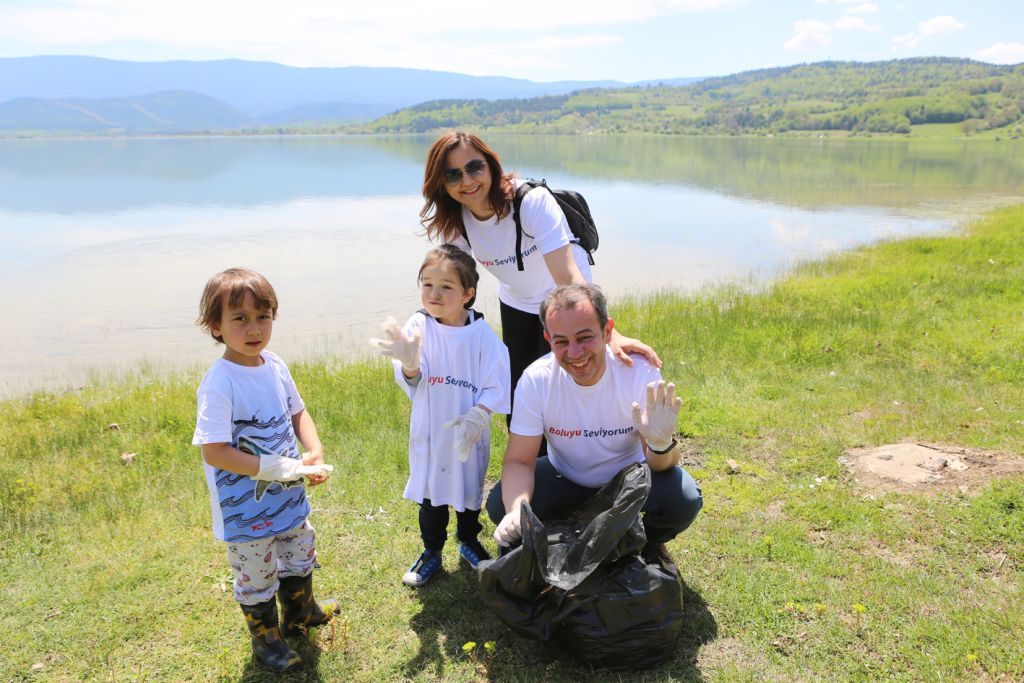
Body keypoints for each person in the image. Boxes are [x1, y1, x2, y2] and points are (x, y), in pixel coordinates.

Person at [420, 131, 661, 420]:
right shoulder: (455, 221)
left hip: (564, 297)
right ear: (442, 184)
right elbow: (453, 286)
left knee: (568, 380)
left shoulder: (530, 202)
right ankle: (532, 459)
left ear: (491, 165)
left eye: (474, 167)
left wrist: (611, 334)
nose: (468, 181)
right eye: (453, 174)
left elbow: (568, 277)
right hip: (516, 299)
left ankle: (583, 449)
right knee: (519, 391)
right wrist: (427, 333)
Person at [486, 284, 702, 566]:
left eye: (584, 337)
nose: (575, 353)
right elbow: (519, 460)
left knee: (682, 498)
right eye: (561, 341)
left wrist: (662, 444)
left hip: (629, 479)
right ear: (548, 339)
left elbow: (662, 465)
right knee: (497, 505)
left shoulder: (639, 373)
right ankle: (570, 536)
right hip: (566, 475)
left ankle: (647, 541)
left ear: (608, 331)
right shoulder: (535, 380)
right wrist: (517, 510)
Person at [192, 267, 335, 674]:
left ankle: (300, 612)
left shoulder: (274, 365)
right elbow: (214, 451)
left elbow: (298, 412)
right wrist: (269, 467)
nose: (254, 328)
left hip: (288, 495)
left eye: (263, 316)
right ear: (214, 326)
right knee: (257, 573)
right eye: (239, 318)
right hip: (245, 509)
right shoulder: (220, 382)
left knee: (299, 550)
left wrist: (313, 450)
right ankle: (267, 641)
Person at [370, 245, 511, 587]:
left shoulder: (482, 336)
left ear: (468, 293)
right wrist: (409, 362)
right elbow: (415, 381)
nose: (434, 293)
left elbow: (497, 380)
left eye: (446, 286)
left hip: (467, 432)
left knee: (468, 493)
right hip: (432, 431)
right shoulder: (419, 326)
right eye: (427, 284)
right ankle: (431, 551)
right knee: (431, 498)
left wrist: (480, 413)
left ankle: (468, 540)